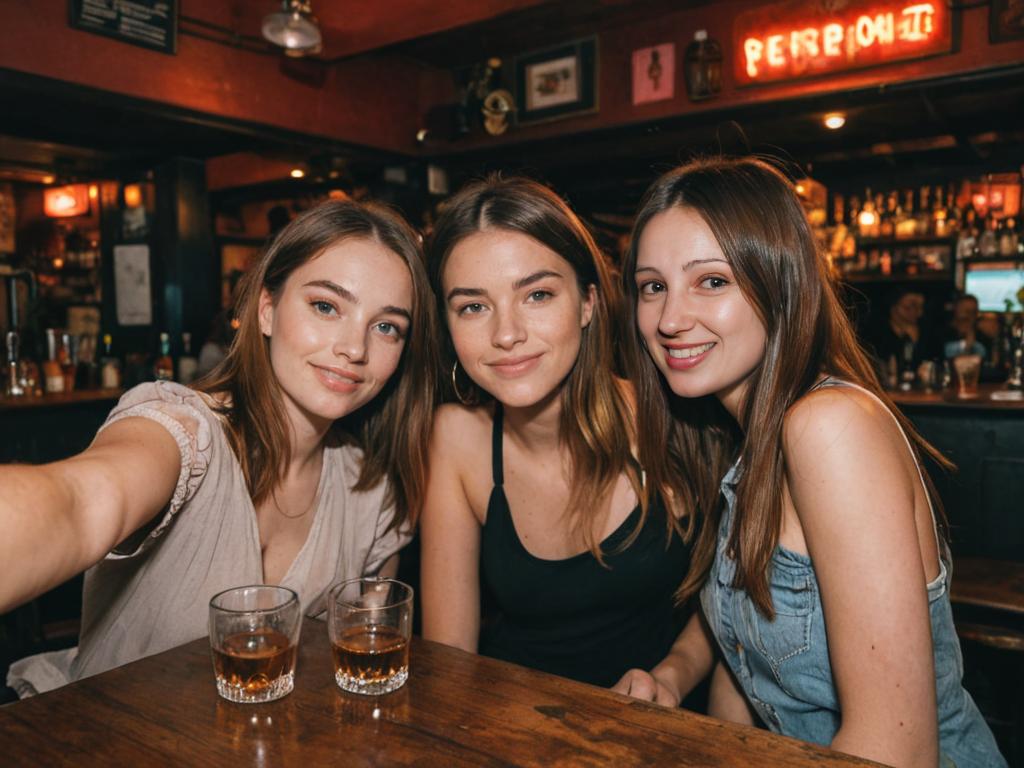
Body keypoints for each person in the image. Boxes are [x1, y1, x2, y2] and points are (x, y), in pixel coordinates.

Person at [613, 157, 1004, 767]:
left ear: (781, 282)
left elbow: (895, 752)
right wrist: (669, 675)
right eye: (653, 286)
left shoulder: (828, 427)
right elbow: (745, 641)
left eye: (711, 281)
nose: (668, 319)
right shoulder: (741, 435)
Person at [2, 199, 438, 696]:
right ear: (266, 310)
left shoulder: (372, 490)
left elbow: (359, 671)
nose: (355, 348)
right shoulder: (185, 431)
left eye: (387, 327)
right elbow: (82, 504)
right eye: (325, 306)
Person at [420, 176, 692, 687]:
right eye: (473, 307)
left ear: (588, 303)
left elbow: (734, 602)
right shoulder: (457, 437)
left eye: (538, 294)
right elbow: (449, 663)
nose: (506, 334)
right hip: (517, 727)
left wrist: (673, 673)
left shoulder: (668, 413)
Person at [942, 294, 992, 360]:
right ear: (956, 309)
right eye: (966, 311)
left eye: (973, 312)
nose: (969, 316)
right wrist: (965, 345)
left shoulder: (982, 336)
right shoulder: (942, 332)